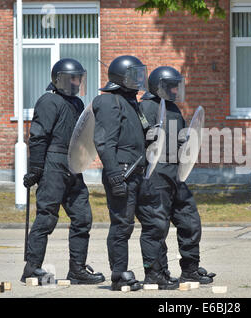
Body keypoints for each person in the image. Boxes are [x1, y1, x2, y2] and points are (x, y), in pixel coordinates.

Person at [21, 58, 105, 285]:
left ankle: (77, 269)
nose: (77, 82)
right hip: (53, 164)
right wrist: (36, 168)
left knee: (83, 217)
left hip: (73, 164)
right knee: (47, 217)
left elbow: (82, 135)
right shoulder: (48, 101)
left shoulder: (77, 104)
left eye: (79, 78)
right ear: (60, 79)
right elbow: (38, 136)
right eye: (72, 78)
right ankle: (32, 268)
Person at [139, 66, 215, 287]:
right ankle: (155, 273)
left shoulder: (173, 110)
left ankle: (190, 270)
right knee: (157, 226)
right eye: (171, 86)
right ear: (158, 86)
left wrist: (184, 141)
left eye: (176, 86)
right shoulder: (144, 107)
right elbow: (139, 139)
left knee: (190, 221)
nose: (175, 90)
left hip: (176, 173)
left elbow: (178, 140)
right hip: (155, 174)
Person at [92, 55, 153, 291]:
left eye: (140, 74)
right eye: (133, 75)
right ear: (121, 78)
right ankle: (118, 274)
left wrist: (151, 136)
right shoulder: (109, 102)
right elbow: (104, 142)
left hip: (139, 172)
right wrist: (115, 175)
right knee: (122, 224)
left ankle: (156, 270)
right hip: (122, 173)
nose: (138, 79)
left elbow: (136, 136)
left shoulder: (132, 102)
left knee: (153, 221)